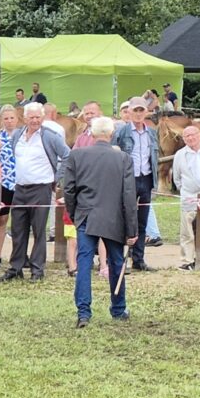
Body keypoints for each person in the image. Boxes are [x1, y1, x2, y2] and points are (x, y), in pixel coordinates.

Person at [63, 117, 138, 327]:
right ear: (111, 134)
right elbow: (129, 197)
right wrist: (132, 229)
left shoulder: (77, 155)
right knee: (116, 263)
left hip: (86, 215)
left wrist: (75, 213)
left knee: (84, 263)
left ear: (93, 134)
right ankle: (118, 308)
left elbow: (68, 189)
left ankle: (84, 312)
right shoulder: (123, 159)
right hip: (114, 218)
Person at [0, 102, 70, 283]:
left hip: (41, 189)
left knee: (38, 230)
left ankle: (37, 270)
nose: (35, 120)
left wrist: (56, 178)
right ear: (25, 118)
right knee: (17, 229)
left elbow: (68, 156)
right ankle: (16, 268)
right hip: (20, 188)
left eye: (38, 117)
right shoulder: (18, 135)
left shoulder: (50, 137)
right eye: (32, 117)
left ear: (43, 117)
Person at [112, 96, 159, 271]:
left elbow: (154, 157)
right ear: (129, 112)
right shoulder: (122, 132)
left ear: (146, 112)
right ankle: (118, 259)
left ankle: (138, 259)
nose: (139, 114)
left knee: (142, 220)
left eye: (142, 110)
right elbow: (114, 154)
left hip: (146, 179)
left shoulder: (152, 133)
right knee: (124, 218)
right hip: (128, 180)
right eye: (135, 110)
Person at [171, 125, 200, 271]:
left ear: (199, 135)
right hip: (189, 196)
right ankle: (187, 260)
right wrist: (187, 190)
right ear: (184, 139)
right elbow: (176, 178)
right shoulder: (180, 155)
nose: (190, 138)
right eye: (186, 136)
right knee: (187, 231)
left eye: (193, 134)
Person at [0, 105, 20, 270]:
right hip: (4, 182)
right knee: (1, 219)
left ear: (17, 118)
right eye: (6, 118)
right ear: (2, 120)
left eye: (11, 118)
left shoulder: (23, 135)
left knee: (21, 220)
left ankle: (20, 253)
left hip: (21, 182)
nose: (9, 121)